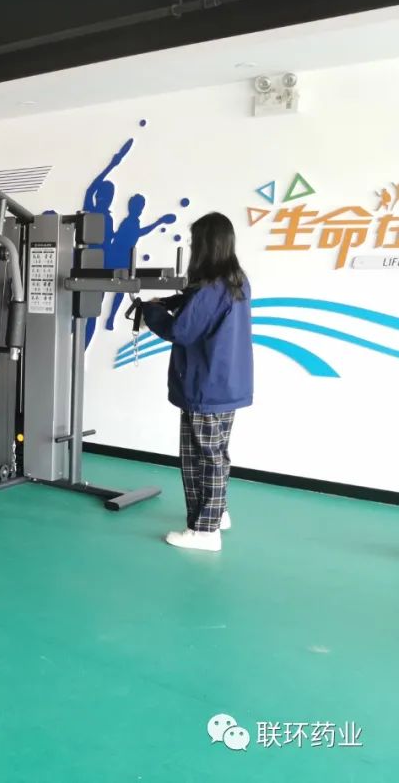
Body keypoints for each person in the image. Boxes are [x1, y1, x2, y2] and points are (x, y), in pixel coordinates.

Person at [140, 212, 253, 552]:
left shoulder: (210, 288)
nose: (191, 248)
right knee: (217, 453)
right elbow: (197, 303)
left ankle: (204, 532)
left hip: (206, 387)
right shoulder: (236, 280)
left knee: (200, 458)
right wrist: (170, 301)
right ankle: (217, 513)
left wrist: (151, 311)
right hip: (226, 385)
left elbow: (181, 330)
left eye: (194, 242)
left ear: (205, 246)